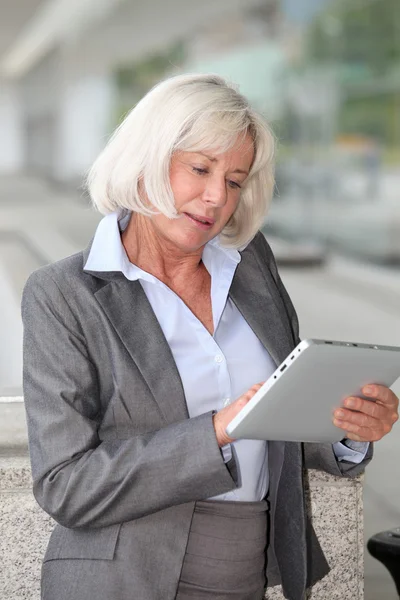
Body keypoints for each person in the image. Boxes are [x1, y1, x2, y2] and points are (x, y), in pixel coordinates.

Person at [21, 73, 399, 600]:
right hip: (122, 577)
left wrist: (347, 427)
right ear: (147, 157)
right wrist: (215, 431)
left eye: (236, 179)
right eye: (200, 168)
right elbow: (66, 485)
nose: (216, 196)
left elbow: (270, 413)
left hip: (246, 565)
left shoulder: (250, 264)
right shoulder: (63, 293)